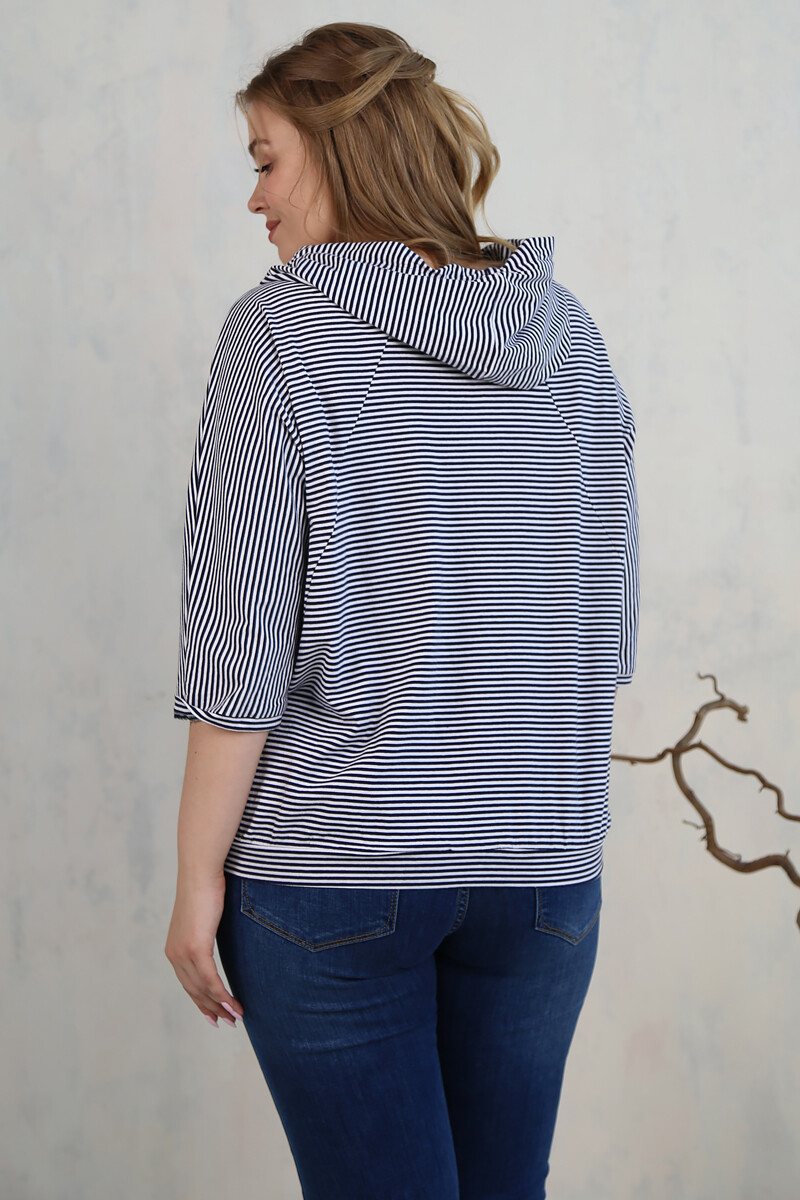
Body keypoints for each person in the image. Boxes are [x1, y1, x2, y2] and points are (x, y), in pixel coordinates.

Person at [165, 20, 639, 1200]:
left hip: (334, 867)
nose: (254, 199)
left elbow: (238, 654)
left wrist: (193, 881)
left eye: (266, 161)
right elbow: (607, 624)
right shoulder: (568, 335)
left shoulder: (276, 332)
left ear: (338, 151)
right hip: (543, 876)